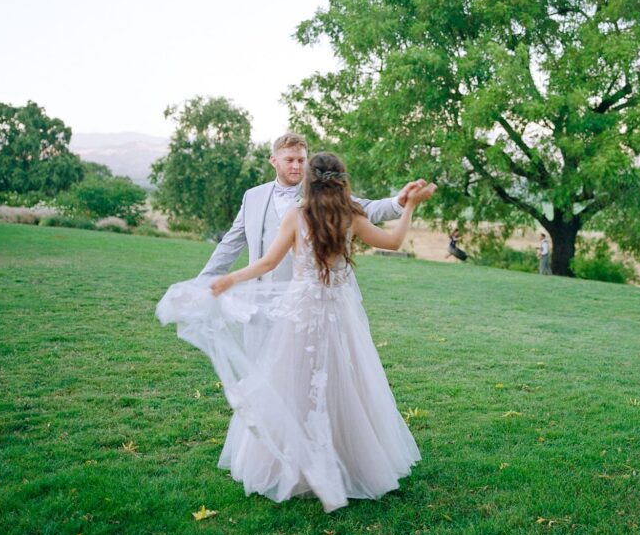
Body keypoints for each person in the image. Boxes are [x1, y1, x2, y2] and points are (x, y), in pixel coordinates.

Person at [155, 152, 435, 513]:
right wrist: (409, 206)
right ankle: (347, 461)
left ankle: (294, 464)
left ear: (309, 181)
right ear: (341, 181)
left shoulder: (297, 215)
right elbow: (394, 242)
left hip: (301, 311)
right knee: (341, 383)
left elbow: (268, 262)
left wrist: (230, 279)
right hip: (338, 312)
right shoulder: (350, 216)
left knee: (291, 382)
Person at [199, 133, 426, 282]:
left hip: (302, 298)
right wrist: (205, 280)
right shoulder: (252, 197)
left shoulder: (325, 196)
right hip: (259, 299)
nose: (297, 166)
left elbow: (368, 208)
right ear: (273, 161)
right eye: (290, 160)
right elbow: (231, 243)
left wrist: (399, 201)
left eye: (301, 160)